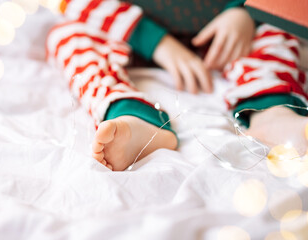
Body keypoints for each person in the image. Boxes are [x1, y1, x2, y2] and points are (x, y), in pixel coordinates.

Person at [46, 0, 308, 171]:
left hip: (225, 36)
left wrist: (245, 12)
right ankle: (131, 114)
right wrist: (154, 41)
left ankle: (272, 110)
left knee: (277, 33)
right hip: (125, 33)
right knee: (68, 37)